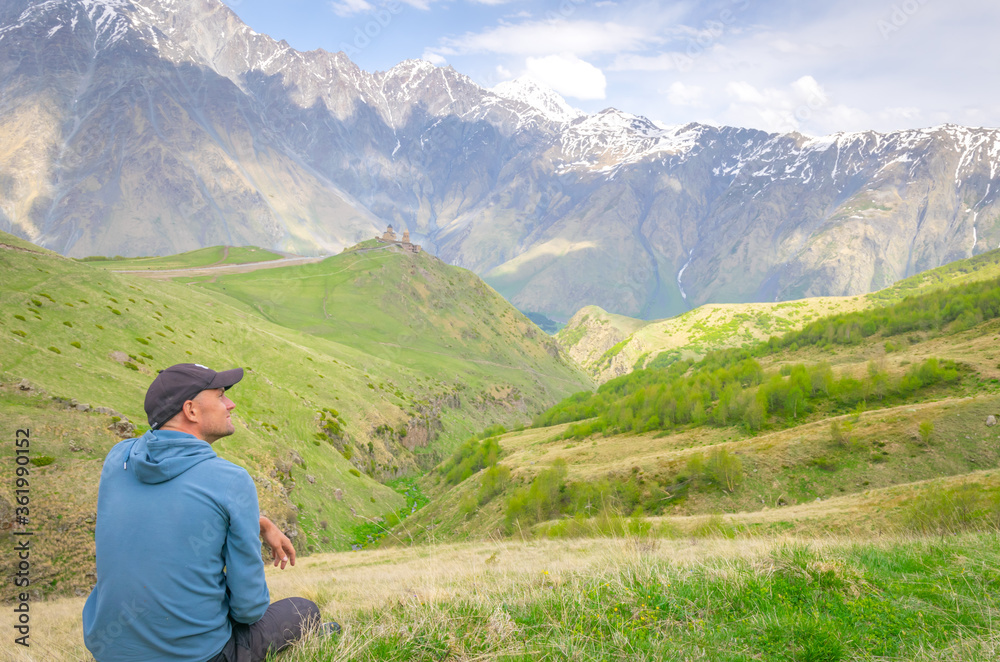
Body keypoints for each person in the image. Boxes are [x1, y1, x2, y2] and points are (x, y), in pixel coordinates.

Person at [83, 363, 332, 662]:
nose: (230, 403)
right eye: (220, 395)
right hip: (201, 656)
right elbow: (248, 609)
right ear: (191, 410)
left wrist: (259, 523)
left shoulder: (117, 459)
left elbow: (169, 515)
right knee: (304, 611)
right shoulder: (230, 480)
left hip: (111, 653)